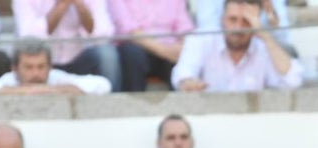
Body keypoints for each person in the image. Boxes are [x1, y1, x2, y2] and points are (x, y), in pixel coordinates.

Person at [172, 0, 302, 91]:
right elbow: (182, 75)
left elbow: (293, 81)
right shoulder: (201, 41)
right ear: (222, 19)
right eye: (233, 19)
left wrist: (266, 36)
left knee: (287, 51)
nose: (238, 28)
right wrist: (187, 83)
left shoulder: (262, 48)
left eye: (246, 21)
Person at [12, 0, 123, 92]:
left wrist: (80, 4)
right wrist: (62, 5)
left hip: (79, 61)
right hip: (42, 65)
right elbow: (29, 38)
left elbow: (103, 35)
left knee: (106, 54)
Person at [0, 39, 112, 95]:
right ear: (14, 68)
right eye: (29, 67)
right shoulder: (8, 80)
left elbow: (103, 85)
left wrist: (53, 90)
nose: (36, 73)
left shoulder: (57, 77)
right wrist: (24, 91)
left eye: (41, 67)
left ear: (50, 66)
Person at [108, 0, 195, 91]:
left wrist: (181, 47)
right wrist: (165, 51)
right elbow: (128, 30)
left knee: (182, 58)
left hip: (169, 50)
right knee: (132, 54)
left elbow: (185, 30)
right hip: (137, 47)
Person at [194, 0, 296, 55]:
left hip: (262, 50)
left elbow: (283, 38)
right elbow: (208, 31)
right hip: (225, 49)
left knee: (288, 52)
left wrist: (270, 12)